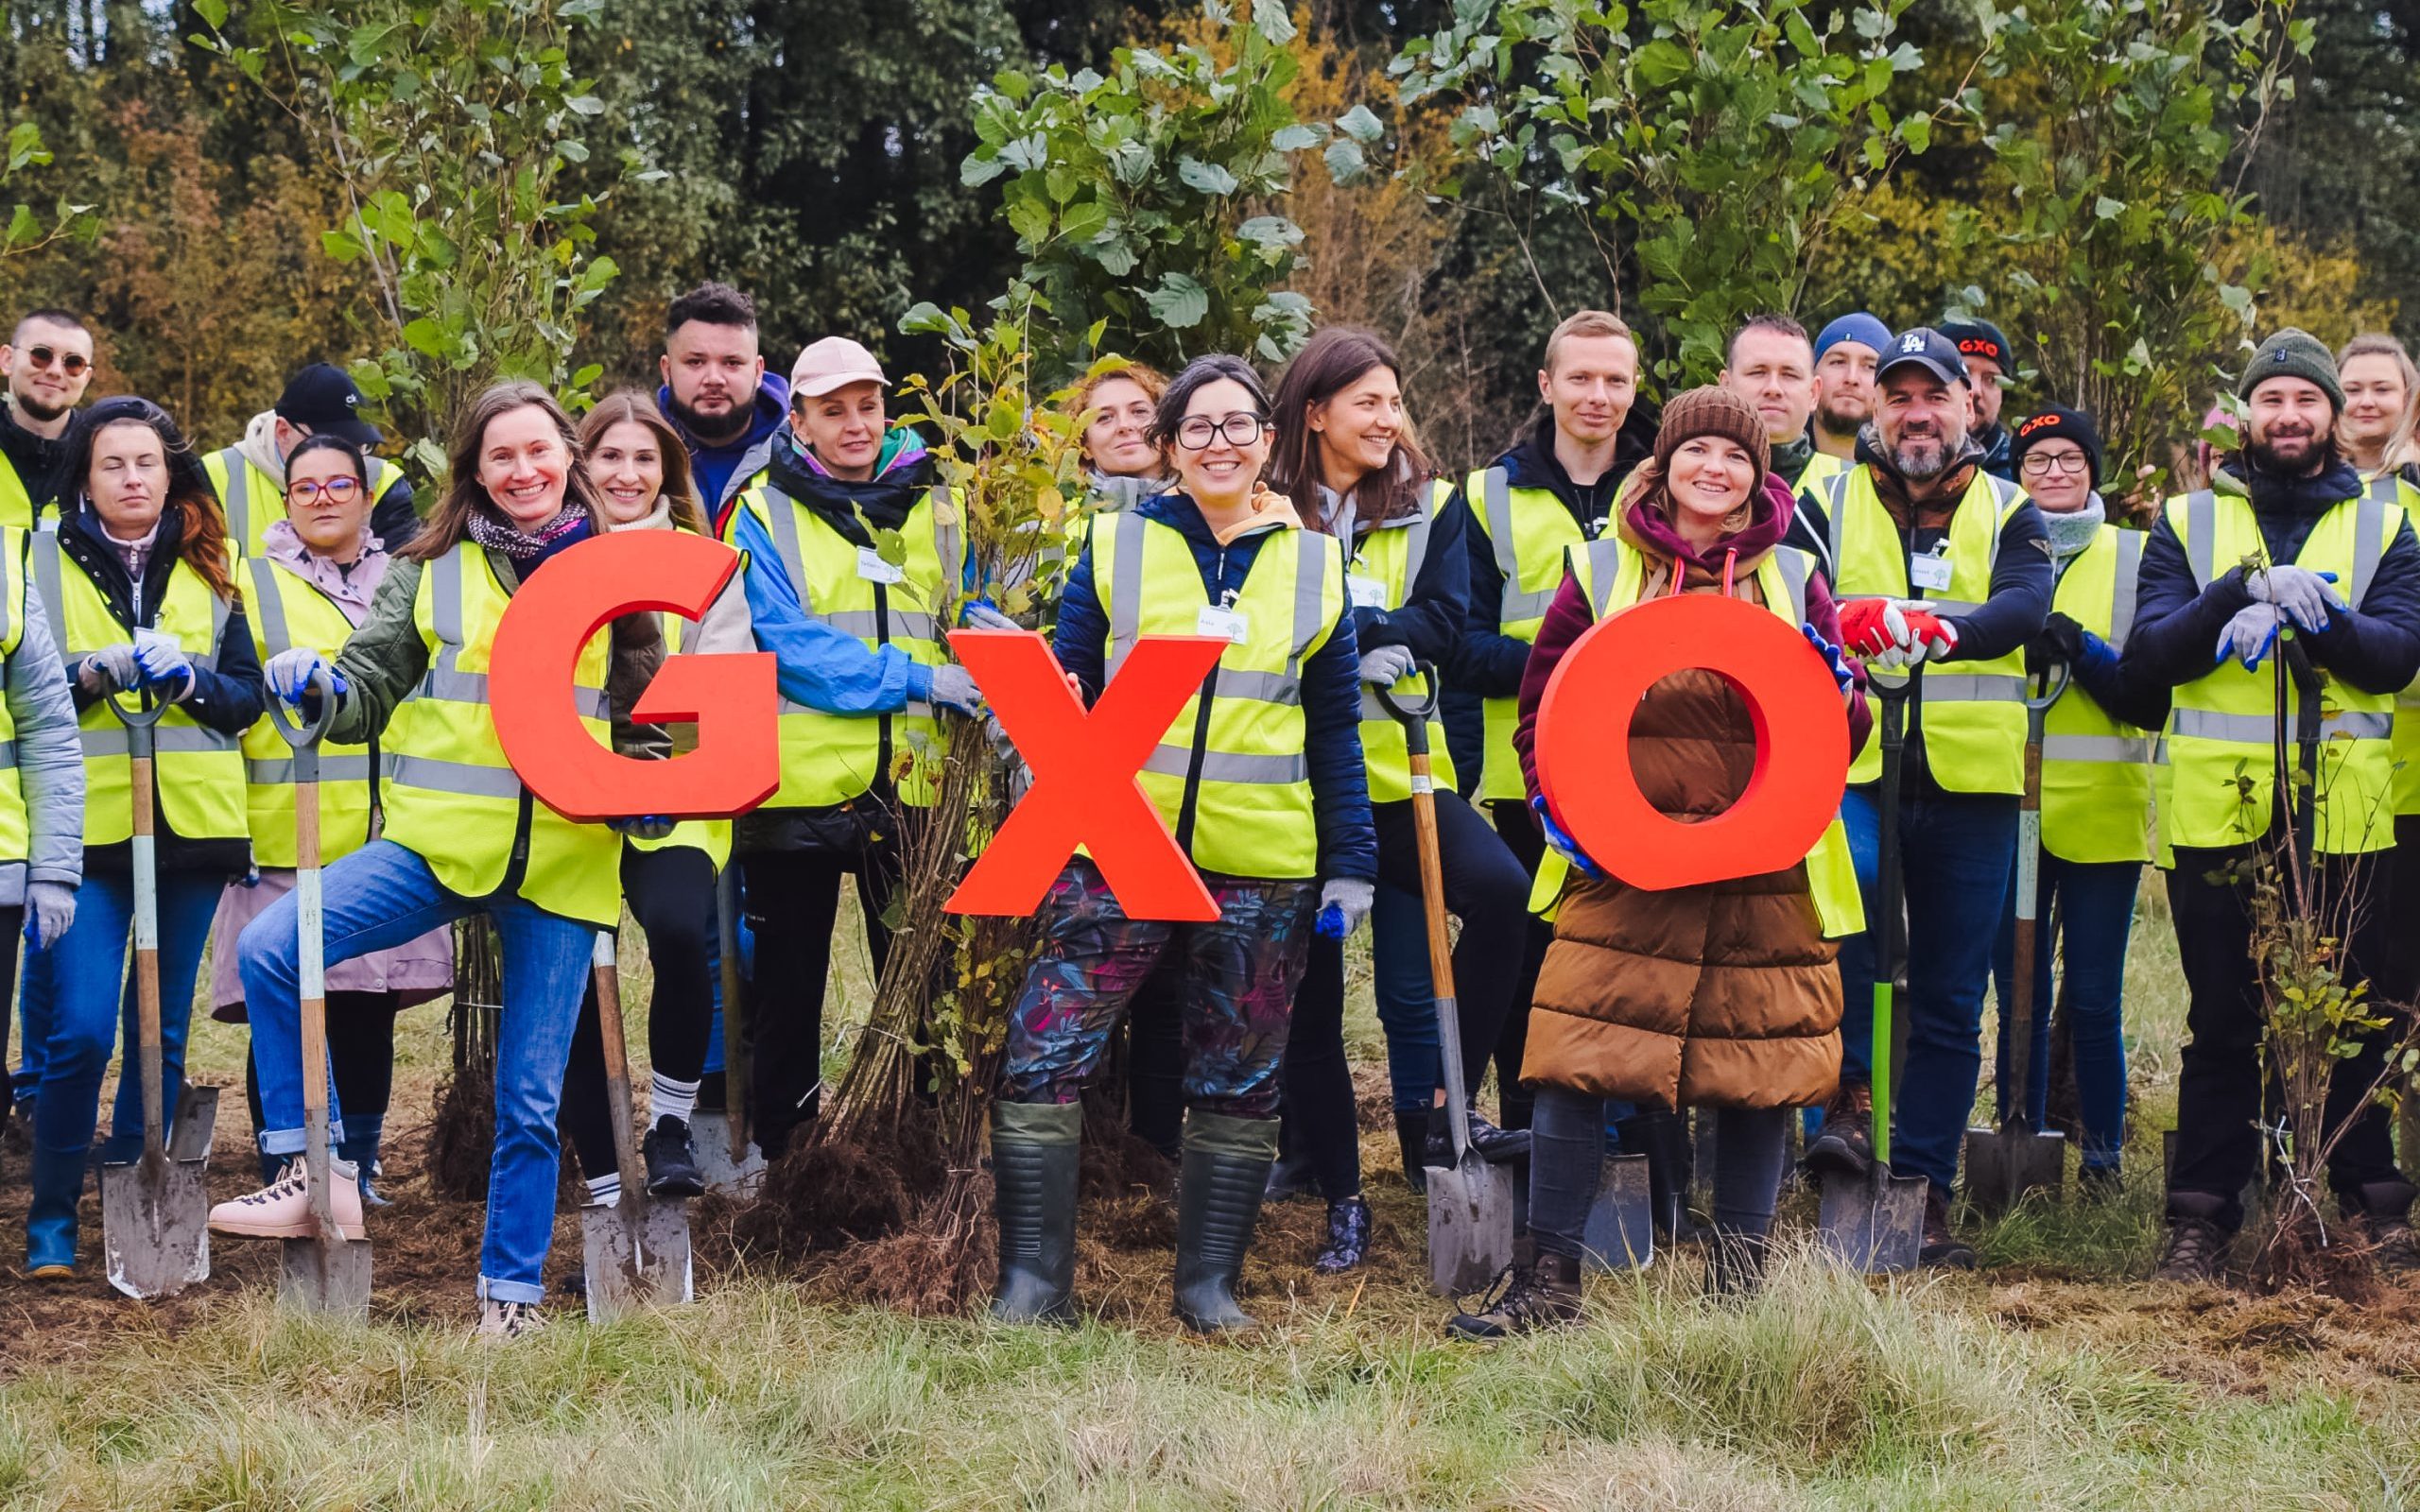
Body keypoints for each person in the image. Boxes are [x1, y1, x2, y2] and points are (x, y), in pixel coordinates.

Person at [207, 381, 666, 1339]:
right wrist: (319, 690)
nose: (522, 470)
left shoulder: (618, 576)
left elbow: (646, 715)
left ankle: (511, 1301)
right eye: (500, 457)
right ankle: (317, 1172)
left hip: (561, 867)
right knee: (275, 947)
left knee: (530, 1104)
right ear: (473, 472)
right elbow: (371, 681)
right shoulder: (432, 569)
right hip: (435, 846)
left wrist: (648, 791)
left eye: (538, 451)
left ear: (567, 458)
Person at [1447, 388, 1866, 1333]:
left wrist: (1835, 684)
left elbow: (1843, 731)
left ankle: (1735, 1298)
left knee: (1754, 1068)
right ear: (1665, 461)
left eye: (1734, 455)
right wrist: (1564, 813)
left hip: (1762, 865)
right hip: (1625, 858)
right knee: (1570, 1060)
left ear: (1758, 473)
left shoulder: (1795, 575)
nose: (1713, 468)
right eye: (1697, 450)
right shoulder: (1601, 570)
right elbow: (1541, 706)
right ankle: (1548, 1283)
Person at [989, 353, 1377, 1332]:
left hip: (1262, 860)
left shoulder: (1316, 563)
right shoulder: (1114, 544)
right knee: (1044, 1050)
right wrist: (1053, 707)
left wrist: (1352, 860)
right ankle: (1034, 1286)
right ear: (1166, 447)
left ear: (1267, 440)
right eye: (1196, 428)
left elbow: (1333, 727)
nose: (1218, 444)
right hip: (1116, 841)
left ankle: (1208, 1287)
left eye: (1237, 426)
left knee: (1240, 1072)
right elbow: (1068, 671)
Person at [2124, 329, 2420, 1280]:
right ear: (2244, 415)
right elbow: (2152, 657)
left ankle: (2366, 1208)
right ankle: (2203, 1217)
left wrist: (2322, 614)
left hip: (2341, 817)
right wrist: (2235, 595)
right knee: (2223, 1020)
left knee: (2353, 1016)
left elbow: (2394, 655)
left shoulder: (2387, 529)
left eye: (2306, 401)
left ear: (2333, 416)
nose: (2287, 417)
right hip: (2221, 818)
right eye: (2270, 400)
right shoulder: (2186, 521)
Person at [1263, 327, 1530, 1272]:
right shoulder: (1260, 502)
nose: (1387, 419)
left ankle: (1438, 1108)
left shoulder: (1431, 506)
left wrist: (1368, 625)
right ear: (1314, 411)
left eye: (1392, 401)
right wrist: (1358, 630)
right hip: (1292, 785)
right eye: (1367, 402)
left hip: (1399, 773)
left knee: (1503, 895)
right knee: (1312, 993)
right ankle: (1338, 1192)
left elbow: (1447, 623)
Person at [1795, 327, 2050, 1269]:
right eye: (1895, 396)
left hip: (1970, 786)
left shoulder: (2011, 506)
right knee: (1844, 942)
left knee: (1949, 995)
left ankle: (1925, 1187)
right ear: (1872, 407)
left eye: (1931, 396)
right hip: (1853, 771)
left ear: (1964, 406)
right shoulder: (1822, 497)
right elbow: (1795, 593)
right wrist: (1846, 620)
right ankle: (1847, 1112)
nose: (1913, 413)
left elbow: (2024, 607)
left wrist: (1934, 626)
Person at [720, 335, 979, 1158]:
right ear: (798, 420)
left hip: (919, 787)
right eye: (833, 410)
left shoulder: (944, 504)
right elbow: (783, 644)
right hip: (799, 787)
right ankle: (787, 1161)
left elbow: (969, 617)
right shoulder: (761, 509)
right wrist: (916, 680)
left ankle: (924, 1148)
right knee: (787, 990)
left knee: (926, 982)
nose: (855, 424)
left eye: (867, 406)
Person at [22, 397, 261, 1279]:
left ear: (171, 473)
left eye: (148, 463)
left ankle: (135, 1198)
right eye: (114, 464)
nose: (133, 479)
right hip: (83, 832)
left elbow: (244, 701)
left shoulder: (213, 562)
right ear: (86, 474)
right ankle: (51, 1216)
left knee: (156, 1035)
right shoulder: (38, 559)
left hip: (191, 831)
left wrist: (192, 676)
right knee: (78, 1033)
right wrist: (89, 674)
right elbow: (19, 684)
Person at [211, 433, 452, 1205]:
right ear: (285, 501)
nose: (322, 498)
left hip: (390, 827)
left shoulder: (414, 578)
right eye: (304, 487)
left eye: (338, 484)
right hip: (284, 828)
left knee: (364, 1006)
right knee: (279, 996)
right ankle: (290, 1166)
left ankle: (361, 1164)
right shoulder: (250, 585)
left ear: (365, 496)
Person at [555, 390, 752, 1204]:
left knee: (678, 932)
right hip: (568, 798)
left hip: (678, 793)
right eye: (610, 457)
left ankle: (669, 1123)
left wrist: (664, 783)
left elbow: (722, 687)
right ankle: (604, 1183)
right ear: (583, 467)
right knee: (568, 978)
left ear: (668, 474)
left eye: (645, 459)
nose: (627, 474)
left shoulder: (709, 567)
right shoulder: (549, 557)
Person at [1452, 309, 1643, 1143]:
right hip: (1525, 778)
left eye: (1615, 381)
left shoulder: (1666, 488)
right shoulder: (1487, 494)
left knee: (1628, 961)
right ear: (1546, 385)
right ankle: (1530, 1127)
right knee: (1534, 961)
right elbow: (1461, 642)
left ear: (1635, 391)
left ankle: (1629, 1132)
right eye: (1580, 378)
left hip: (1644, 776)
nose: (1597, 397)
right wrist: (1574, 666)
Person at [1988, 407, 2167, 1194]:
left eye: (2070, 459)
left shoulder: (2136, 558)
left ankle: (2102, 1160)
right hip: (2006, 808)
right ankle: (2019, 1137)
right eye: (2037, 461)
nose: (2054, 473)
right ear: (2017, 473)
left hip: (2102, 811)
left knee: (2095, 998)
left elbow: (2150, 694)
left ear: (2094, 471)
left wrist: (2083, 649)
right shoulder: (1995, 544)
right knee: (2018, 991)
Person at [203, 363, 418, 557]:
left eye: (359, 446)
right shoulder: (212, 476)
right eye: (329, 444)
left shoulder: (385, 483)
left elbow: (400, 587)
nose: (347, 458)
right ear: (284, 432)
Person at [660, 282, 790, 523]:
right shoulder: (635, 455)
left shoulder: (802, 453)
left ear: (758, 371)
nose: (714, 379)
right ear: (667, 371)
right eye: (695, 362)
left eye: (731, 363)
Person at [0, 310, 95, 530]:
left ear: (86, 378)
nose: (55, 371)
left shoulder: (106, 461)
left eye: (73, 363)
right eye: (41, 355)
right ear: (8, 360)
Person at [1721, 313, 1823, 490]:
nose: (1773, 388)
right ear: (1725, 387)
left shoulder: (1853, 487)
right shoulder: (1684, 482)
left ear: (1813, 393)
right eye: (1757, 372)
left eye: (1789, 375)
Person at [1805, 313, 1890, 490]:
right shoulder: (1774, 471)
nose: (1851, 378)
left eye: (1869, 367)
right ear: (1813, 380)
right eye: (1838, 362)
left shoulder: (1904, 481)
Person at [2337, 335, 2420, 487]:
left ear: (2409, 398)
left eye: (2382, 389)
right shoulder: (2306, 477)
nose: (2366, 402)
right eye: (2353, 390)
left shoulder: (2416, 479)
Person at [1942, 318, 2017, 480]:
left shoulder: (2023, 473)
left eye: (1991, 380)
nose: (1975, 390)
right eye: (1963, 373)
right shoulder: (1894, 461)